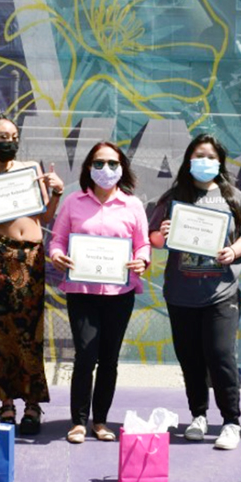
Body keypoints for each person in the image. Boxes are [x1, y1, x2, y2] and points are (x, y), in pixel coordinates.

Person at [149, 134, 241, 450]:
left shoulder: (233, 196)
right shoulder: (174, 197)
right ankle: (198, 415)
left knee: (221, 356)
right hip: (181, 293)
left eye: (211, 156)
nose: (205, 161)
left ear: (220, 162)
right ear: (188, 160)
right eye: (199, 155)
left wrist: (234, 251)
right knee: (191, 358)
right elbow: (154, 238)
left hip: (221, 292)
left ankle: (231, 421)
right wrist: (161, 234)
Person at [0, 109, 64, 435]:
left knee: (31, 334)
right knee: (1, 336)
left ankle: (33, 405)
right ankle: (6, 403)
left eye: (14, 138)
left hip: (33, 260)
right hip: (0, 258)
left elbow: (45, 218)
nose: (10, 143)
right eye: (3, 138)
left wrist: (57, 193)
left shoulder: (30, 170)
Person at [49, 142, 150, 443]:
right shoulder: (72, 202)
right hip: (82, 291)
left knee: (109, 359)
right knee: (85, 355)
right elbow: (57, 240)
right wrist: (56, 256)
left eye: (112, 164)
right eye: (98, 163)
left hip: (120, 293)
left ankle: (101, 421)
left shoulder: (133, 205)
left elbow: (143, 244)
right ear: (88, 168)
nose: (106, 170)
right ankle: (79, 422)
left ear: (122, 168)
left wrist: (142, 260)